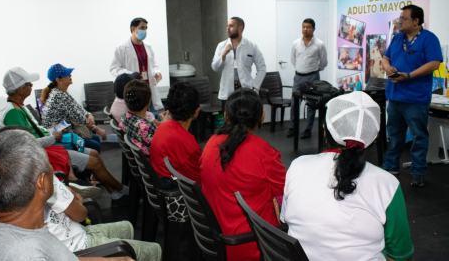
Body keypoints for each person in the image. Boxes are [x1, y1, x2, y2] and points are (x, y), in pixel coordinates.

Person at [281, 91, 413, 261]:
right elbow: (401, 255)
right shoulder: (387, 184)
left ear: (324, 129)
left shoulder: (297, 166)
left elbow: (285, 219)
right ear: (375, 136)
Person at [0, 130, 133, 261]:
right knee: (153, 251)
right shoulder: (27, 254)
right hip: (81, 244)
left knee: (128, 228)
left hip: (76, 247)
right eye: (49, 164)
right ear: (41, 182)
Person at [0, 67, 129, 207]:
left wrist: (52, 134)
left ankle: (115, 194)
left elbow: (41, 129)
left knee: (94, 154)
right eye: (29, 84)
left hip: (49, 144)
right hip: (44, 151)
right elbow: (26, 144)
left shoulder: (18, 107)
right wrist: (54, 137)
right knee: (94, 156)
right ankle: (121, 190)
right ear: (20, 89)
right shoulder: (13, 112)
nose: (32, 87)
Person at [200, 89, 286, 261]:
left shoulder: (210, 144)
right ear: (261, 118)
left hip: (214, 239)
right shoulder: (263, 151)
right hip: (254, 244)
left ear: (226, 117)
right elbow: (288, 189)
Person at [382, 5, 442, 186]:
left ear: (416, 21)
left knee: (419, 137)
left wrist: (408, 76)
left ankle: (418, 172)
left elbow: (434, 63)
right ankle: (391, 166)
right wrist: (387, 67)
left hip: (415, 99)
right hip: (395, 96)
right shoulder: (398, 37)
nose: (399, 21)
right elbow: (386, 58)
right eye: (399, 18)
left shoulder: (429, 39)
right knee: (394, 134)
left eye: (403, 18)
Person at [41, 64, 107, 153]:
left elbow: (78, 108)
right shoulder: (60, 96)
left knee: (94, 139)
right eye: (67, 74)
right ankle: (89, 165)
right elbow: (78, 117)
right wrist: (97, 129)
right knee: (94, 145)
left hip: (64, 131)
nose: (70, 75)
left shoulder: (61, 93)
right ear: (58, 80)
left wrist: (88, 114)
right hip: (59, 136)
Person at [110, 17, 163, 118]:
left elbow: (154, 64)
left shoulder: (148, 46)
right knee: (142, 122)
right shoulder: (122, 48)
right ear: (133, 29)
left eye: (146, 28)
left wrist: (157, 72)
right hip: (135, 91)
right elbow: (114, 69)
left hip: (148, 89)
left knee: (152, 118)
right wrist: (131, 75)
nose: (144, 30)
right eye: (142, 27)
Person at [150, 82, 201, 185]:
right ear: (196, 112)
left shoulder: (162, 127)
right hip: (177, 192)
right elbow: (200, 182)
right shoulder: (188, 144)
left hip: (160, 184)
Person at [211, 17, 266, 112]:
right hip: (227, 91)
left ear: (240, 28)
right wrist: (223, 55)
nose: (227, 28)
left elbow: (262, 68)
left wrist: (255, 86)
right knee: (229, 121)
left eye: (231, 26)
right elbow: (215, 68)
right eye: (227, 26)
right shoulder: (221, 46)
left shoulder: (251, 46)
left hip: (246, 90)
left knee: (245, 120)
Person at [287, 18, 328, 139]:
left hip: (313, 77)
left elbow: (324, 62)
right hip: (298, 77)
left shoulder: (319, 44)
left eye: (308, 27)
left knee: (311, 103)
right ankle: (292, 127)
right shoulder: (296, 43)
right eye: (303, 26)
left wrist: (315, 70)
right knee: (295, 103)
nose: (305, 29)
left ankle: (308, 129)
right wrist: (301, 69)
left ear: (313, 29)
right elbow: (293, 59)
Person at [119, 79, 169, 156]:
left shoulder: (123, 117)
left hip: (138, 162)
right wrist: (167, 123)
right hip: (153, 164)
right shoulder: (147, 127)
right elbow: (163, 150)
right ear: (149, 102)